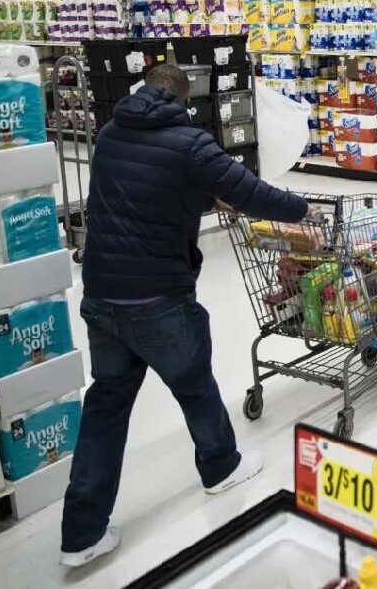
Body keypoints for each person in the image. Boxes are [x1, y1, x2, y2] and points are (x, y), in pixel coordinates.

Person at [60, 64, 309, 568]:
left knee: (106, 404)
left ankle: (81, 535)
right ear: (183, 100)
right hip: (157, 295)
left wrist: (198, 193)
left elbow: (140, 192)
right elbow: (251, 192)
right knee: (193, 382)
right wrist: (302, 210)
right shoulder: (190, 144)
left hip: (103, 294)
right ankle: (221, 468)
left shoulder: (108, 134)